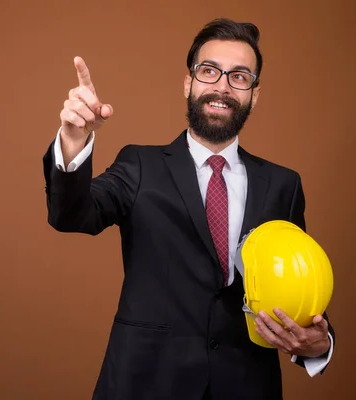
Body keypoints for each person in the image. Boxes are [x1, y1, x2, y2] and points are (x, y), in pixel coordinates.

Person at [42, 18, 335, 400]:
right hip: (145, 384)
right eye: (209, 71)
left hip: (247, 386)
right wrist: (74, 137)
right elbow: (70, 215)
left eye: (239, 77)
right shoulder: (139, 165)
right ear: (189, 82)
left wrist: (319, 344)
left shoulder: (283, 185)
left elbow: (300, 281)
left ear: (254, 94)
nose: (222, 86)